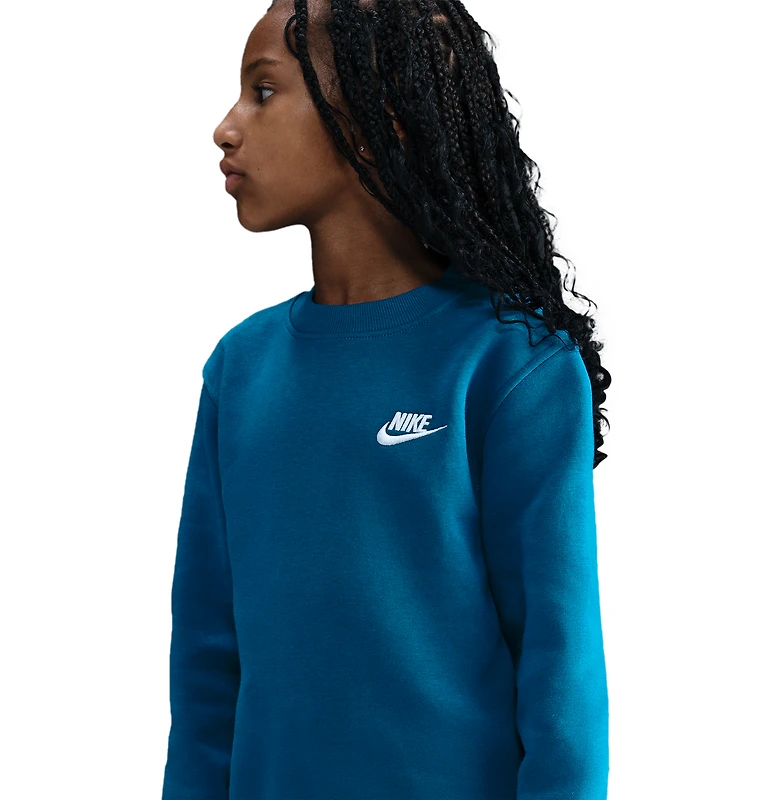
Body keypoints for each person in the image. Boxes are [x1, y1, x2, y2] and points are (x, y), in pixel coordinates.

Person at [161, 1, 612, 798]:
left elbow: (560, 671)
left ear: (378, 120)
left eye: (263, 92)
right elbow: (206, 664)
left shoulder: (512, 363)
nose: (226, 128)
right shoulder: (240, 370)